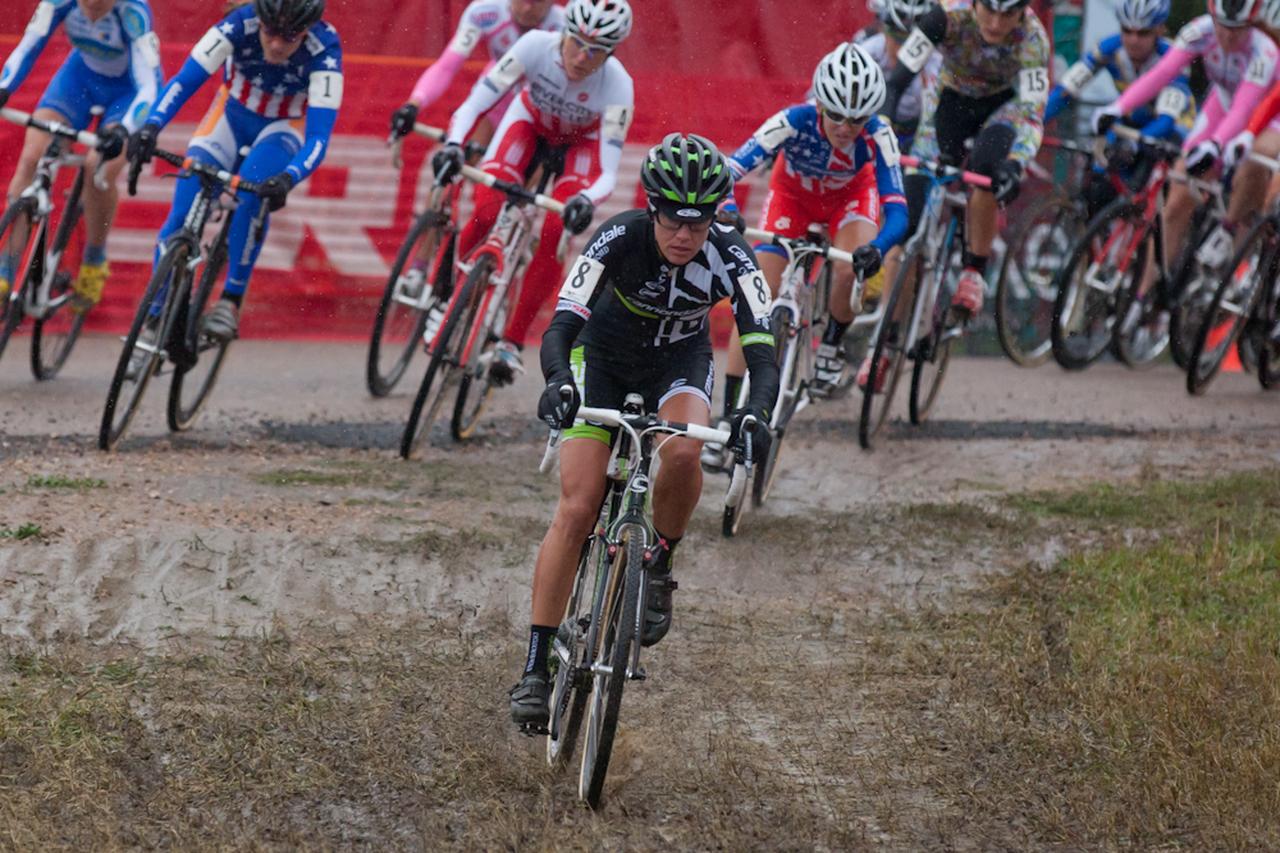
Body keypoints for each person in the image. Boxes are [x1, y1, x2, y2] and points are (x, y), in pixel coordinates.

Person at [509, 134, 780, 728]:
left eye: (699, 221)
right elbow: (559, 327)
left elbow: (762, 347)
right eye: (672, 220)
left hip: (678, 362)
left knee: (684, 452)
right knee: (578, 507)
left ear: (715, 216)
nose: (684, 235)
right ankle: (535, 665)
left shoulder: (734, 256)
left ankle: (659, 564)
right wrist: (557, 381)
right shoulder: (619, 235)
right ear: (652, 207)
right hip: (599, 357)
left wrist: (756, 412)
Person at [707, 41, 907, 455]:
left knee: (852, 266)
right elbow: (727, 170)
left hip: (850, 199)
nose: (845, 126)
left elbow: (899, 214)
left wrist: (879, 247)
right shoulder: (792, 120)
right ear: (819, 104)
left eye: (857, 118)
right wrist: (726, 210)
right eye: (835, 114)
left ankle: (832, 345)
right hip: (792, 197)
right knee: (755, 297)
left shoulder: (879, 134)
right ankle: (727, 417)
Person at [431, 0, 635, 385]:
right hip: (528, 125)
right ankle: (449, 299)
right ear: (565, 33)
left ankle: (511, 341)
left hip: (580, 145)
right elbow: (476, 101)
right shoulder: (534, 46)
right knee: (487, 210)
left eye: (597, 51)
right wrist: (455, 143)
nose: (582, 57)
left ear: (612, 52)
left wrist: (586, 201)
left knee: (558, 231)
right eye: (577, 43)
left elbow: (607, 172)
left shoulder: (619, 85)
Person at [126, 0, 341, 347]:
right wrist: (151, 127)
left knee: (251, 195)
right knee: (182, 211)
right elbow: (184, 81)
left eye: (290, 37)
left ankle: (230, 298)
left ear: (307, 30)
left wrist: (289, 176)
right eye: (271, 31)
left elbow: (318, 137)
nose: (276, 44)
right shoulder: (240, 23)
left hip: (283, 126)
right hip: (231, 114)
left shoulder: (325, 49)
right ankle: (155, 318)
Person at [870, 0, 1050, 388]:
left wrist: (1016, 163)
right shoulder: (945, 15)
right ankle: (883, 344)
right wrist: (882, 124)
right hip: (948, 103)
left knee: (984, 172)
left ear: (1022, 13)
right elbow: (898, 79)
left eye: (1008, 15)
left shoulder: (1034, 38)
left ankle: (974, 272)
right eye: (990, 11)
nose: (997, 23)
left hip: (1000, 111)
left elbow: (1033, 113)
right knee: (908, 226)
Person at [1093, 0, 1277, 283]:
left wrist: (1216, 145)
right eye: (1222, 26)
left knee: (1251, 164)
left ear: (1251, 24)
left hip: (1265, 117)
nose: (1227, 36)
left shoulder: (1264, 51)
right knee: (1176, 194)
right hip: (1222, 105)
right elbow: (1163, 73)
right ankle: (1143, 298)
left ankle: (1232, 247)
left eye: (1237, 30)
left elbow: (1245, 107)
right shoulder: (1199, 31)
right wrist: (1118, 107)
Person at [0, 0, 162, 312]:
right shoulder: (59, 2)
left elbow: (149, 86)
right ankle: (6, 269)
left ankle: (94, 258)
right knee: (32, 156)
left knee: (96, 169)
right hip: (80, 79)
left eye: (101, 3)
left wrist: (124, 129)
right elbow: (29, 45)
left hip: (127, 94)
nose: (92, 8)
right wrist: (4, 87)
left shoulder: (133, 13)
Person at [1043, 0, 1193, 219]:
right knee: (1098, 181)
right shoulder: (1109, 49)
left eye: (1143, 33)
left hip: (1172, 128)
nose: (1133, 40)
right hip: (1131, 123)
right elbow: (1065, 92)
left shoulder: (1173, 58)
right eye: (1127, 31)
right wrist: (1035, 124)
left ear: (1160, 30)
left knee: (1147, 198)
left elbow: (1167, 120)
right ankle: (1094, 243)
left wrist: (1134, 144)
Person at [388, 0, 565, 145]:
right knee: (461, 159)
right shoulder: (485, 12)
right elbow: (446, 66)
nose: (527, 8)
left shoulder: (564, 27)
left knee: (515, 181)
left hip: (541, 103)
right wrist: (414, 104)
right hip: (497, 91)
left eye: (537, 2)